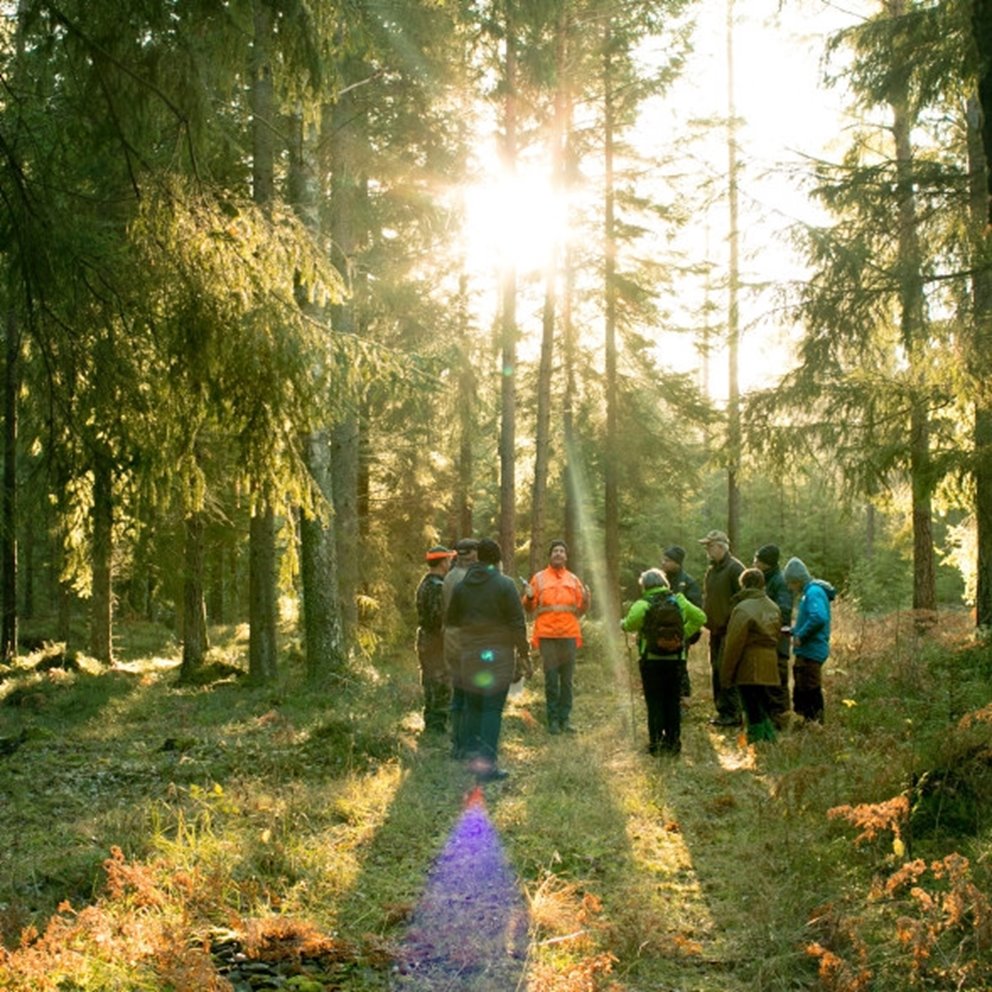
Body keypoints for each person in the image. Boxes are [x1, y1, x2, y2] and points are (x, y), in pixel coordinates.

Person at [445, 538, 530, 781]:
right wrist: (524, 654)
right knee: (492, 709)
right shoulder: (505, 585)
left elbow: (452, 622)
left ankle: (474, 760)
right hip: (498, 655)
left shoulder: (462, 587)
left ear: (479, 557)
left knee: (473, 707)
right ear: (498, 560)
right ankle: (488, 766)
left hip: (470, 655)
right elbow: (517, 623)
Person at [621, 568, 706, 756]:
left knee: (654, 702)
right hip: (676, 660)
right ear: (664, 583)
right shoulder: (679, 600)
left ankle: (656, 744)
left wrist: (622, 624)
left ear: (644, 586)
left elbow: (630, 624)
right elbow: (700, 617)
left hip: (651, 661)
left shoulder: (643, 604)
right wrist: (682, 635)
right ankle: (674, 744)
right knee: (672, 702)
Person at [522, 540, 590, 734]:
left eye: (561, 551)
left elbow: (581, 610)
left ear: (566, 556)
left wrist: (587, 600)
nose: (558, 554)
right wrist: (529, 596)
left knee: (567, 680)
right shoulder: (539, 578)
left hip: (569, 634)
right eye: (555, 551)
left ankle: (565, 719)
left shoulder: (573, 580)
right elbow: (529, 608)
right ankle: (552, 720)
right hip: (547, 634)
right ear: (550, 556)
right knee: (551, 679)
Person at [720, 568, 782, 743]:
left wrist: (726, 674)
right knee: (764, 703)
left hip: (749, 663)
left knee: (751, 705)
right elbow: (777, 635)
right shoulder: (774, 607)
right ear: (762, 584)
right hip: (770, 662)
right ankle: (769, 739)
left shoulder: (742, 608)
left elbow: (734, 643)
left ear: (743, 584)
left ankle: (757, 741)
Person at [698, 529, 745, 727]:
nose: (707, 550)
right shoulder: (712, 570)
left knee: (726, 671)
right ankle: (723, 711)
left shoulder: (735, 569)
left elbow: (743, 599)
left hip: (729, 630)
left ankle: (733, 713)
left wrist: (733, 623)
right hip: (715, 630)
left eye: (710, 546)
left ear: (721, 547)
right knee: (716, 670)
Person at [782, 557, 836, 724]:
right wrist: (793, 631)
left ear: (796, 580)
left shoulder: (813, 592)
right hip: (807, 649)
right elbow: (811, 619)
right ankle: (805, 722)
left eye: (790, 583)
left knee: (810, 687)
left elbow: (818, 618)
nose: (790, 587)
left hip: (812, 649)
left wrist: (801, 635)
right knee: (802, 686)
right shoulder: (810, 592)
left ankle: (815, 724)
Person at [442, 537, 479, 757]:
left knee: (458, 692)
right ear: (472, 554)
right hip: (468, 640)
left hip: (451, 639)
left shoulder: (449, 577)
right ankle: (469, 742)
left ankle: (457, 742)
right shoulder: (471, 578)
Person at [415, 545, 455, 734]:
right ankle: (437, 726)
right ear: (442, 562)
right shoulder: (439, 587)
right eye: (448, 560)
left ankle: (432, 722)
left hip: (426, 638)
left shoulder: (424, 583)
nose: (450, 563)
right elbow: (440, 618)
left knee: (430, 681)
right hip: (437, 641)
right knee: (441, 683)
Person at [753, 544, 793, 729]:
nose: (754, 563)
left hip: (777, 641)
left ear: (766, 563)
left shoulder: (780, 582)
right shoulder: (765, 580)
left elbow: (783, 612)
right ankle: (770, 719)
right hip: (766, 641)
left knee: (777, 682)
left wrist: (764, 623)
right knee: (766, 682)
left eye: (757, 560)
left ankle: (781, 721)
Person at [660, 545, 703, 700]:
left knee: (679, 665)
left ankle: (683, 696)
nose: (663, 563)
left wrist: (687, 633)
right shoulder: (660, 581)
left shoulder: (688, 583)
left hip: (680, 632)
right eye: (663, 559)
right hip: (660, 632)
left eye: (667, 560)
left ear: (677, 563)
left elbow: (696, 609)